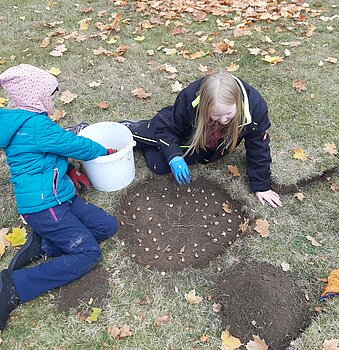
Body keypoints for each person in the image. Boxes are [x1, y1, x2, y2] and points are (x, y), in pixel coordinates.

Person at [0, 64, 118, 331]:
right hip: (45, 207)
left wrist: (68, 170)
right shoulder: (37, 127)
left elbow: (50, 152)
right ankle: (14, 285)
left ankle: (43, 245)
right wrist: (105, 150)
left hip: (60, 196)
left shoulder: (23, 123)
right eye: (51, 97)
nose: (53, 102)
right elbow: (75, 145)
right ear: (37, 99)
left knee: (107, 226)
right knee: (88, 253)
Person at [120, 71, 282, 208]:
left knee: (159, 165)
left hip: (213, 144)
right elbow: (167, 128)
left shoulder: (256, 108)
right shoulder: (191, 97)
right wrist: (175, 157)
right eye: (216, 115)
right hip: (190, 130)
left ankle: (151, 142)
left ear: (237, 103)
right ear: (204, 107)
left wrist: (261, 186)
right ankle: (135, 130)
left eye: (228, 114)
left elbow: (258, 147)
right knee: (160, 133)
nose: (224, 120)